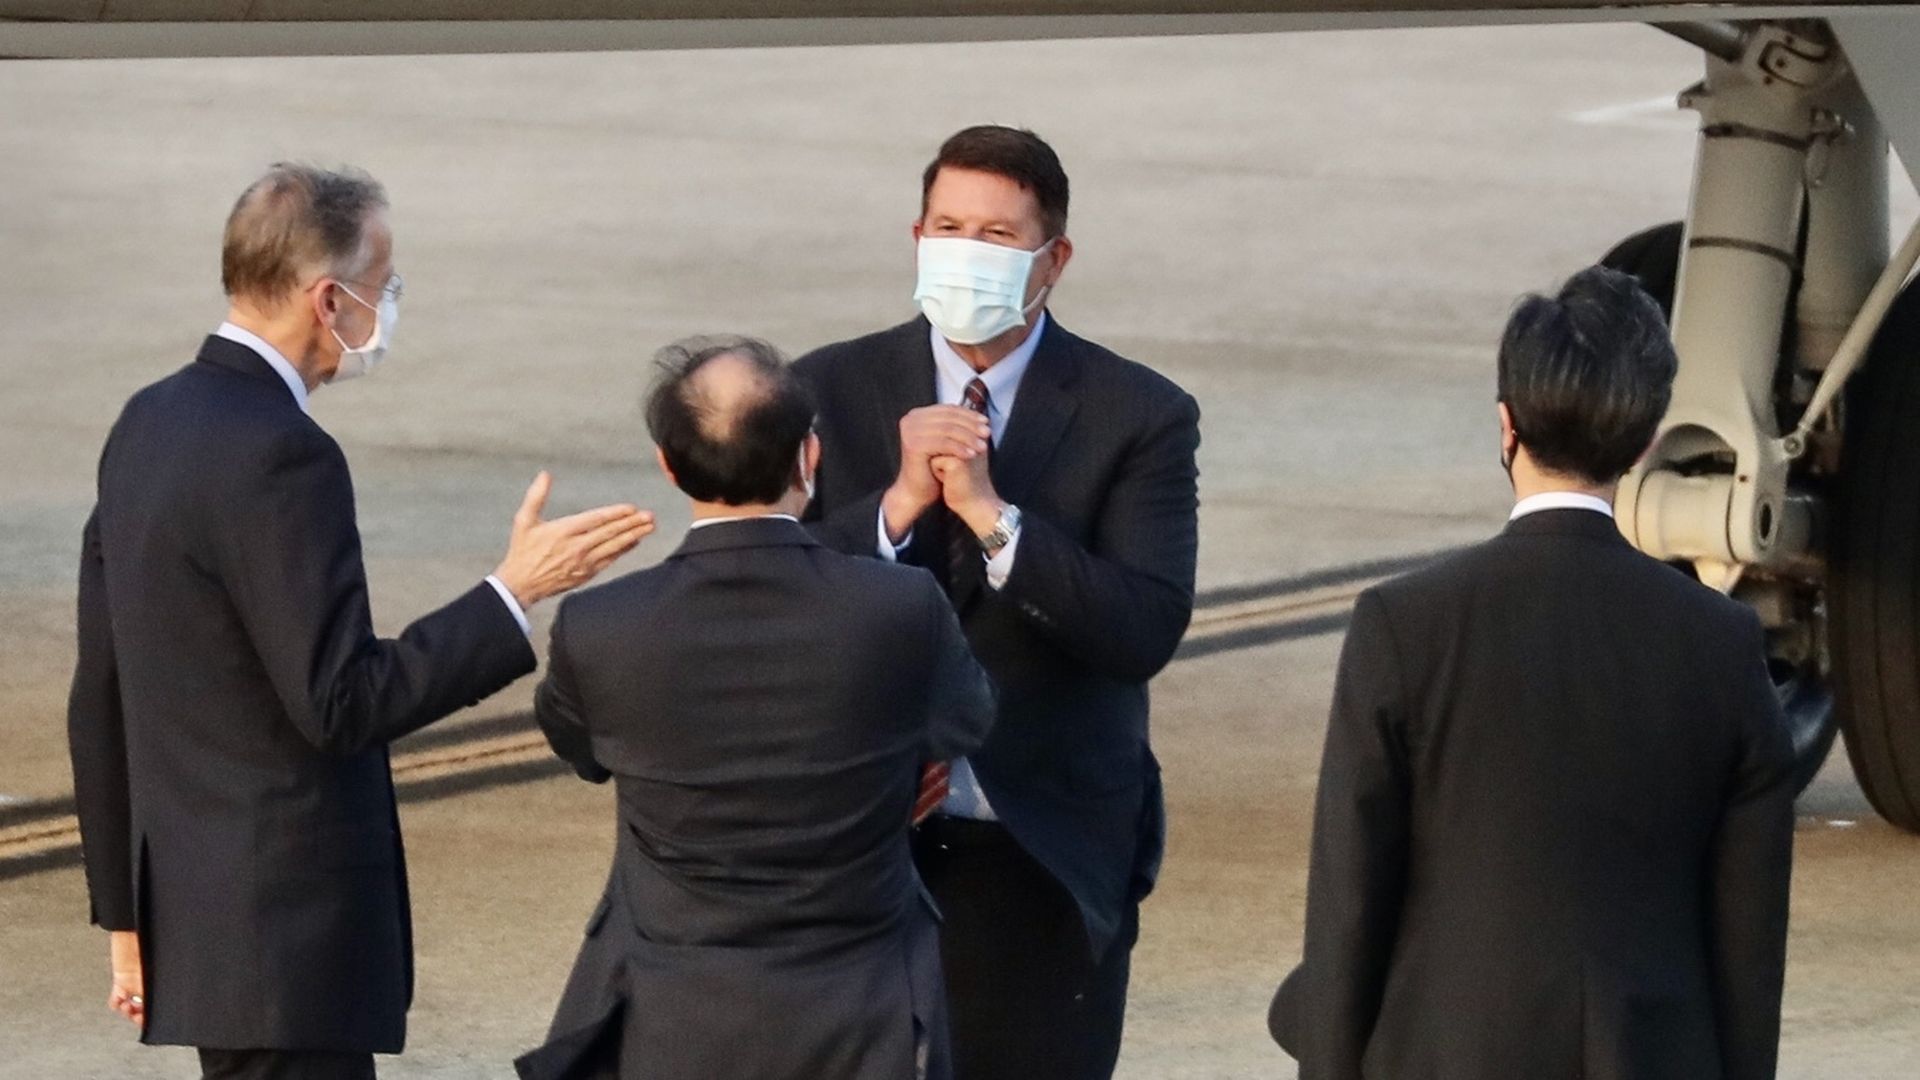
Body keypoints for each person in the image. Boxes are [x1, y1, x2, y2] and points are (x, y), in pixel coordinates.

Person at [66, 163, 655, 1080]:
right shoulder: (285, 455)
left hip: (211, 940)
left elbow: (100, 691)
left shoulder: (145, 422)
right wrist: (513, 591)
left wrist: (125, 914)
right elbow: (340, 701)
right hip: (288, 951)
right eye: (384, 284)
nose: (390, 305)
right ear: (327, 298)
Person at [1270, 265, 1797, 1080]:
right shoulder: (1721, 643)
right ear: (1646, 438)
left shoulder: (1406, 623)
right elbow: (1748, 933)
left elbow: (1350, 900)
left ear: (1506, 423)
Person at [794, 125, 1202, 1079]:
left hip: (1038, 847)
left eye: (997, 236)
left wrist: (994, 520)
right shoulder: (827, 387)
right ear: (916, 234)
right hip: (858, 842)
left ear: (1053, 260)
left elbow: (1142, 627)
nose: (966, 252)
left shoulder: (1138, 413)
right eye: (948, 227)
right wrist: (894, 509)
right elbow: (782, 590)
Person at [516, 337, 995, 1080]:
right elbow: (964, 721)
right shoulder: (899, 608)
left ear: (669, 466)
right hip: (862, 1013)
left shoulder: (603, 627)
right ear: (810, 456)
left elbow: (579, 748)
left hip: (673, 1018)